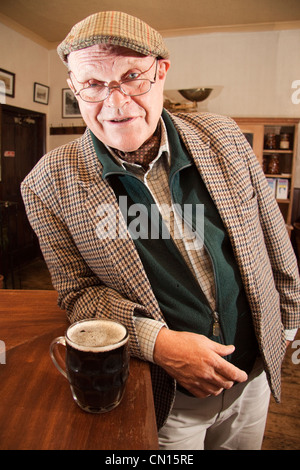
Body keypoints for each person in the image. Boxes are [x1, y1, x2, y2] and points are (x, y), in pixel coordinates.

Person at [21, 11, 300, 450]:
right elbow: (77, 294)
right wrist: (159, 344)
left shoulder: (225, 137)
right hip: (168, 398)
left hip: (254, 377)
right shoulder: (46, 185)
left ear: (161, 72)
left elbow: (273, 240)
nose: (114, 103)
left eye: (132, 76)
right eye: (92, 84)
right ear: (74, 87)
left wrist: (285, 329)